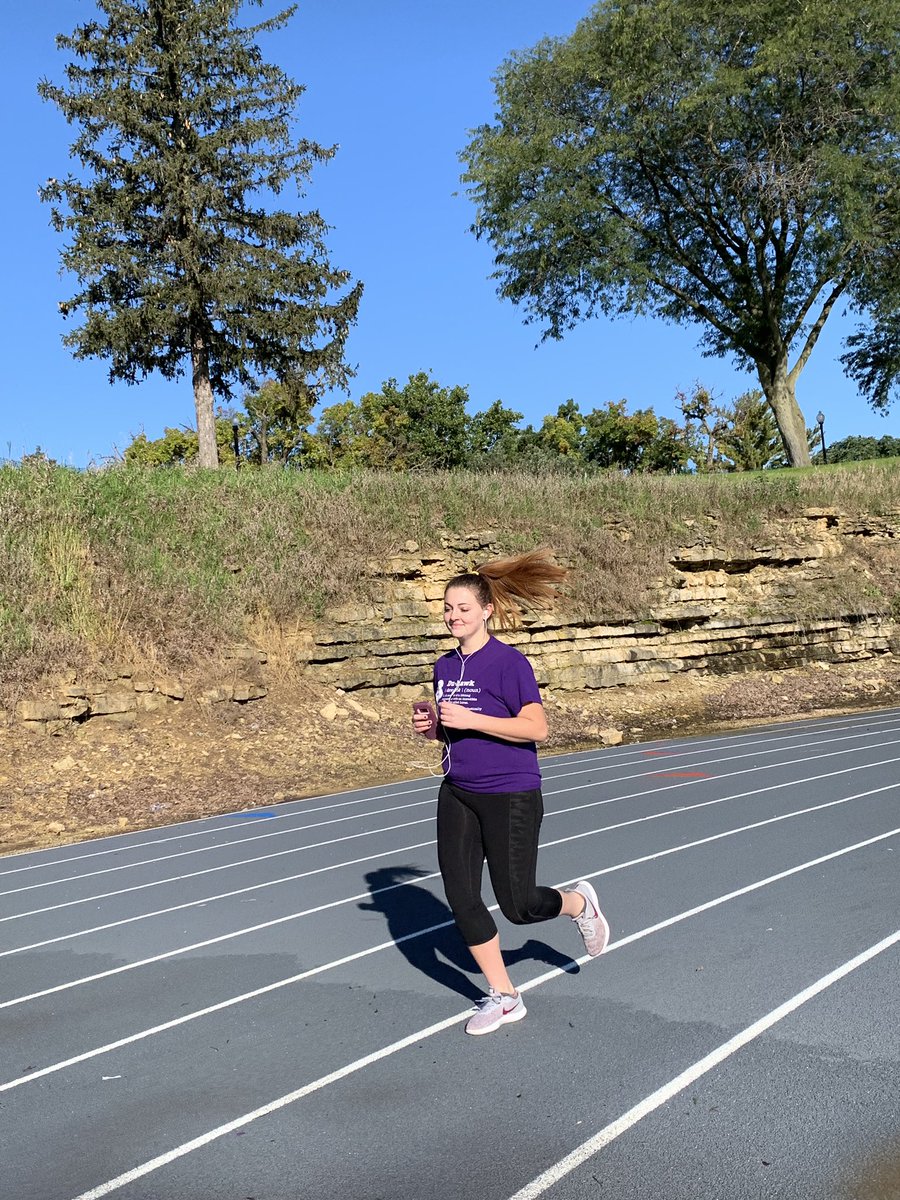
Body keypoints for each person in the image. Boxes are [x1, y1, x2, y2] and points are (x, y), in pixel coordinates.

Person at [412, 549, 610, 1035]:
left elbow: (536, 728)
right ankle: (505, 996)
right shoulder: (443, 666)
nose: (452, 616)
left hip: (511, 793)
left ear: (486, 611)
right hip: (458, 791)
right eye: (446, 608)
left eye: (462, 608)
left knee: (519, 905)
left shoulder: (509, 663)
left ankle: (579, 903)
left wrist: (472, 719)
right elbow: (457, 730)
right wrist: (433, 727)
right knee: (461, 896)